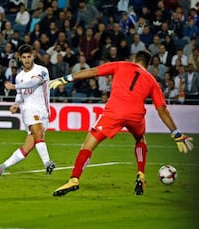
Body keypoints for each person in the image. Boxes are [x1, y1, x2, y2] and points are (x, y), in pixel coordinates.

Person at [49, 50, 194, 196]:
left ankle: (74, 179)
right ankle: (141, 173)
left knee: (88, 145)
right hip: (136, 116)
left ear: (134, 59)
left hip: (114, 112)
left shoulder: (121, 65)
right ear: (148, 66)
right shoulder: (152, 81)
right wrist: (176, 133)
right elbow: (162, 110)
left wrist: (66, 79)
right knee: (140, 139)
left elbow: (94, 71)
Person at [0, 44, 55, 176]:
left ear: (33, 56)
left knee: (28, 146)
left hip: (43, 111)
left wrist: (14, 86)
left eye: (29, 56)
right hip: (29, 110)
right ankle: (47, 163)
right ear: (20, 59)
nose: (27, 60)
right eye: (24, 57)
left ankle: (2, 166)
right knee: (39, 133)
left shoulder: (42, 70)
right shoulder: (19, 76)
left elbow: (33, 83)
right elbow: (20, 95)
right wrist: (16, 104)